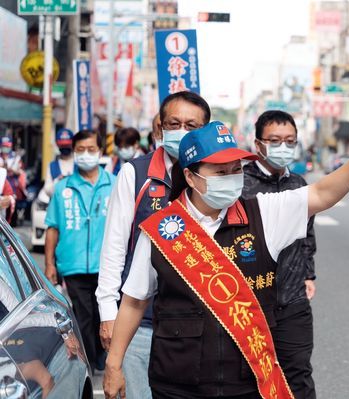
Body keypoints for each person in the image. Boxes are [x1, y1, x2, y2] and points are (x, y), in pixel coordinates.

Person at [103, 98, 349, 399]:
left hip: (247, 381)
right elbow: (134, 301)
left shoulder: (263, 213)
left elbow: (323, 193)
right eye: (220, 172)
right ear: (190, 176)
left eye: (236, 170)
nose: (232, 179)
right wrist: (114, 364)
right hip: (178, 381)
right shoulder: (164, 229)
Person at [96, 92, 211, 399]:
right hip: (141, 323)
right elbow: (114, 248)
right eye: (175, 123)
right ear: (160, 128)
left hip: (201, 323)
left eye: (192, 125)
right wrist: (109, 311)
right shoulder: (136, 173)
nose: (182, 131)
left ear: (205, 129)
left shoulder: (218, 177)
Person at [242, 110, 316, 399]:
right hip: (250, 303)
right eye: (274, 140)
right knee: (250, 377)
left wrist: (309, 273)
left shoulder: (299, 184)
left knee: (298, 374)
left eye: (289, 141)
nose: (282, 147)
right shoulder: (239, 184)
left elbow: (307, 234)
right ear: (258, 143)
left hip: (293, 302)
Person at [44, 130, 115, 372]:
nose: (86, 155)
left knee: (102, 313)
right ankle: (92, 361)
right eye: (81, 150)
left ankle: (102, 357)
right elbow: (52, 227)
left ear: (101, 151)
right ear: (74, 153)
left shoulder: (114, 184)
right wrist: (50, 264)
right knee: (83, 315)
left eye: (91, 149)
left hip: (107, 264)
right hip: (72, 265)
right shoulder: (62, 188)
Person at [43, 128, 75, 197]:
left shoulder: (79, 164)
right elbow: (47, 190)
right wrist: (57, 181)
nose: (65, 147)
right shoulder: (52, 166)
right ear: (58, 145)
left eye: (67, 145)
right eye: (63, 145)